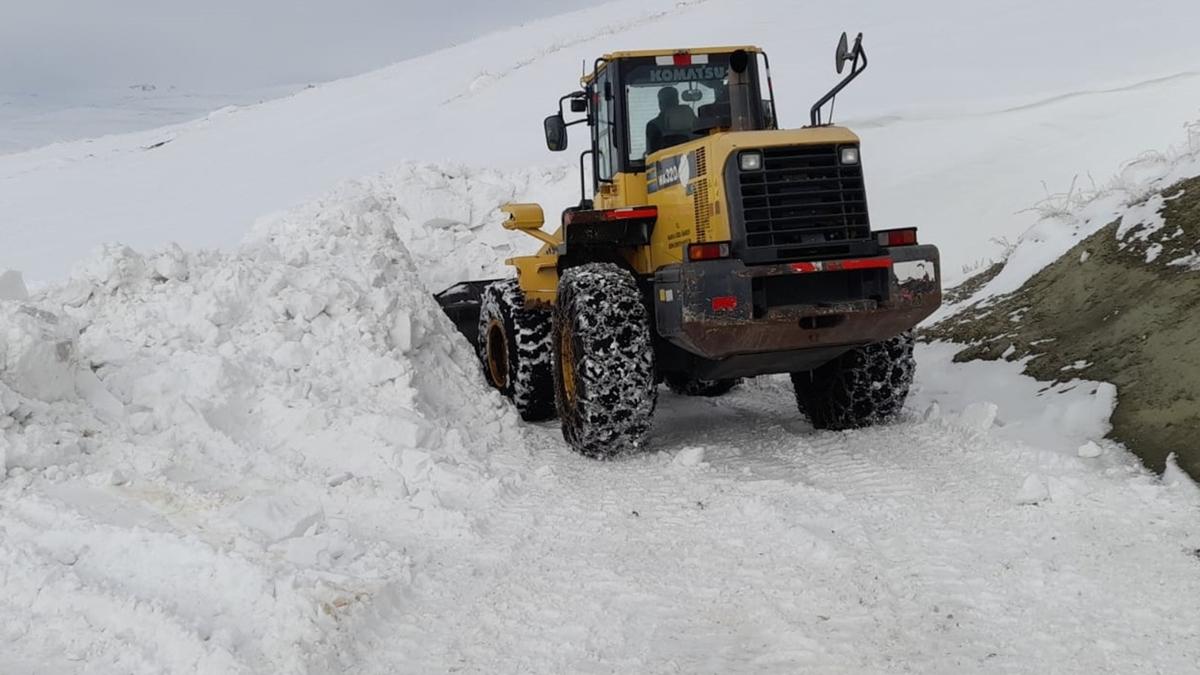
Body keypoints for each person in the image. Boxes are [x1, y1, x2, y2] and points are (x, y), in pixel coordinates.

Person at [645, 87, 696, 155]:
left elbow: (652, 156)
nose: (670, 104)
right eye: (668, 101)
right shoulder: (654, 126)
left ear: (660, 104)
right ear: (677, 101)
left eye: (671, 101)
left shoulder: (653, 125)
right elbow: (653, 157)